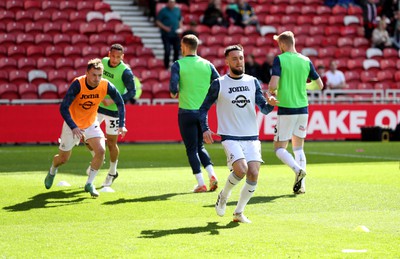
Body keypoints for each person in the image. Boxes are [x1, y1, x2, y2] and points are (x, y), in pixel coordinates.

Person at [199, 44, 278, 223]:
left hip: (251, 136)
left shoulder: (252, 81)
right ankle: (224, 195)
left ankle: (239, 212)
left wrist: (271, 104)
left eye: (241, 58)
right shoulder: (219, 83)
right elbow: (203, 109)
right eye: (234, 58)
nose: (239, 61)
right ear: (227, 61)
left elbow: (264, 109)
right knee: (241, 170)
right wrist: (205, 128)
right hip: (230, 136)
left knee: (254, 173)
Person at [44, 58, 127, 197]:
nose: (97, 78)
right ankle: (53, 169)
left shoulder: (106, 85)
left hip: (90, 123)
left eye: (100, 75)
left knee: (100, 151)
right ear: (87, 73)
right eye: (94, 75)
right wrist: (73, 126)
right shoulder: (78, 84)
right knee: (63, 158)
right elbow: (63, 108)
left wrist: (122, 124)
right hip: (72, 124)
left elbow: (120, 102)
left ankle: (89, 183)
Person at [268, 31, 324, 195]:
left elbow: (273, 84)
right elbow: (319, 85)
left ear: (283, 44)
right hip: (303, 109)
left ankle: (297, 170)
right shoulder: (306, 60)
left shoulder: (280, 59)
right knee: (298, 148)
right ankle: (302, 185)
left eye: (279, 44)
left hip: (286, 109)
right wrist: (302, 87)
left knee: (279, 148)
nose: (279, 47)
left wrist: (274, 91)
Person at [169, 34, 220, 193]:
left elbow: (173, 88)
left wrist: (174, 92)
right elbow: (219, 83)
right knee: (200, 146)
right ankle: (212, 174)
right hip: (202, 113)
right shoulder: (208, 64)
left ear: (184, 46)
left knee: (191, 148)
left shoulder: (178, 64)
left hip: (186, 112)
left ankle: (201, 183)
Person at [87, 44, 135, 188]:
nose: (114, 60)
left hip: (114, 112)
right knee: (86, 137)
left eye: (118, 57)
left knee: (111, 143)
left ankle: (112, 172)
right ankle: (97, 159)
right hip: (97, 107)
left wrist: (112, 99)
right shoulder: (102, 63)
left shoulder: (126, 72)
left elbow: (132, 93)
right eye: (113, 56)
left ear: (123, 57)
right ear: (109, 54)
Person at [156, 0, 183, 69]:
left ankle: (175, 65)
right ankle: (166, 66)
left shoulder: (177, 10)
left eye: (173, 2)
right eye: (170, 2)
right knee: (167, 50)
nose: (172, 4)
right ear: (167, 3)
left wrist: (180, 27)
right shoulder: (163, 11)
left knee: (177, 49)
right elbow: (158, 21)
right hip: (166, 34)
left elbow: (179, 19)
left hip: (175, 34)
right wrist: (165, 28)